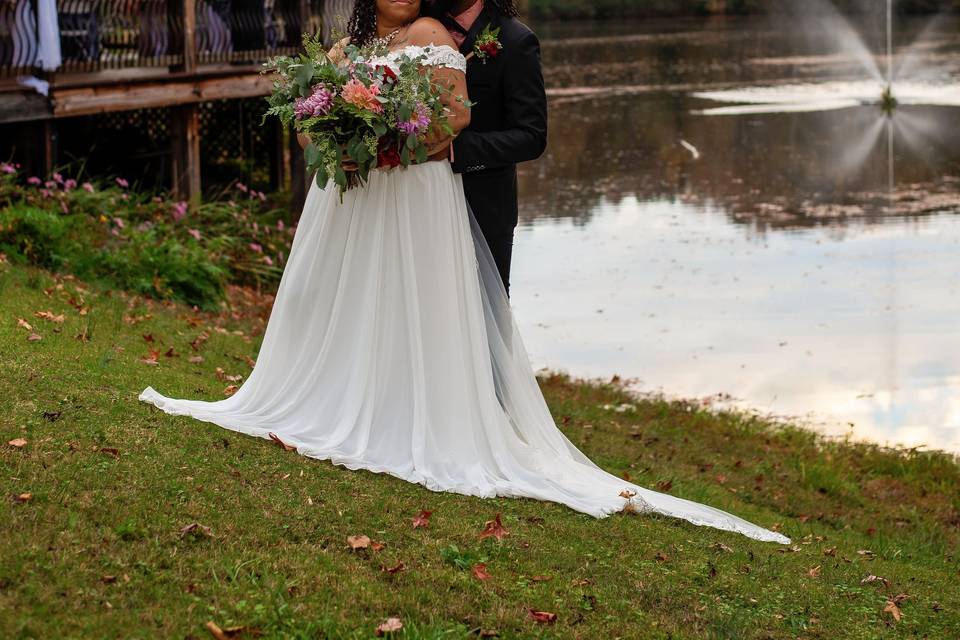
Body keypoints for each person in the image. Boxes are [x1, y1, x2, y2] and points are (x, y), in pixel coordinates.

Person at [139, 0, 789, 544]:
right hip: (367, 196)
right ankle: (365, 396)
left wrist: (413, 149)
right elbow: (319, 120)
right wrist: (347, 140)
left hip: (452, 196)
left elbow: (507, 130)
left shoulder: (506, 39)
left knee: (467, 319)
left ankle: (472, 419)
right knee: (368, 303)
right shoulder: (352, 48)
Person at [425, 0, 546, 296]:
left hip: (485, 209)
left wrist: (456, 150)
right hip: (421, 202)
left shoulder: (516, 41)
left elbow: (532, 136)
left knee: (486, 317)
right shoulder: (418, 29)